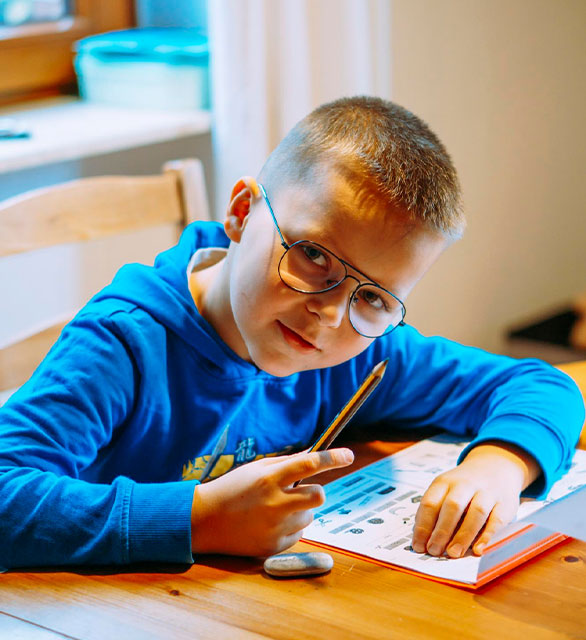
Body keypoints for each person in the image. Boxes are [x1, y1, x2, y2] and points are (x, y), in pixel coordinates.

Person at [0, 97, 583, 570]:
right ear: (241, 213)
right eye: (311, 256)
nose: (330, 316)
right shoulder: (124, 347)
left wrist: (500, 465)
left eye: (375, 297)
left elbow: (540, 384)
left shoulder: (356, 355)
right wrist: (197, 518)